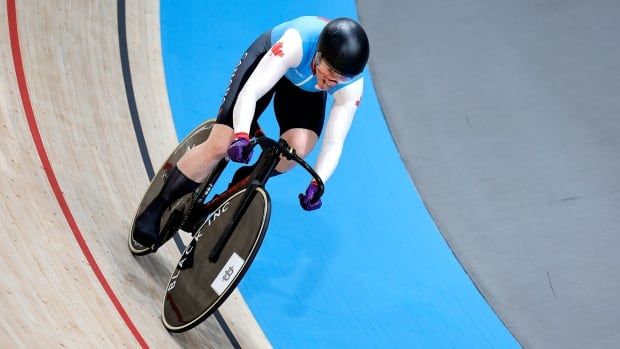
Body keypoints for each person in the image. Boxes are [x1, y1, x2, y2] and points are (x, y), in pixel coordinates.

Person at [133, 16, 370, 247]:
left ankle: (239, 186)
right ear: (318, 54)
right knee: (220, 144)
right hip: (267, 62)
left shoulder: (351, 86)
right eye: (328, 70)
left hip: (303, 90)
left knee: (292, 156)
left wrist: (318, 182)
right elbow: (251, 92)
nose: (330, 81)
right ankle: (158, 205)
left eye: (338, 77)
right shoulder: (296, 42)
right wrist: (241, 136)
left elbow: (334, 141)